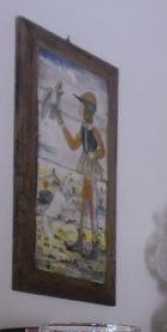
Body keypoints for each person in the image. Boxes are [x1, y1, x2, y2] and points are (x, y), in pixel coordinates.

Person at [57, 90, 106, 256]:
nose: (79, 109)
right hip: (86, 165)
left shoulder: (94, 130)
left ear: (88, 110)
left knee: (90, 203)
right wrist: (62, 124)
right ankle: (84, 240)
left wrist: (93, 155)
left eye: (82, 106)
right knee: (84, 202)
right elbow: (73, 145)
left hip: (90, 167)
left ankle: (93, 242)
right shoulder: (83, 128)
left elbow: (103, 151)